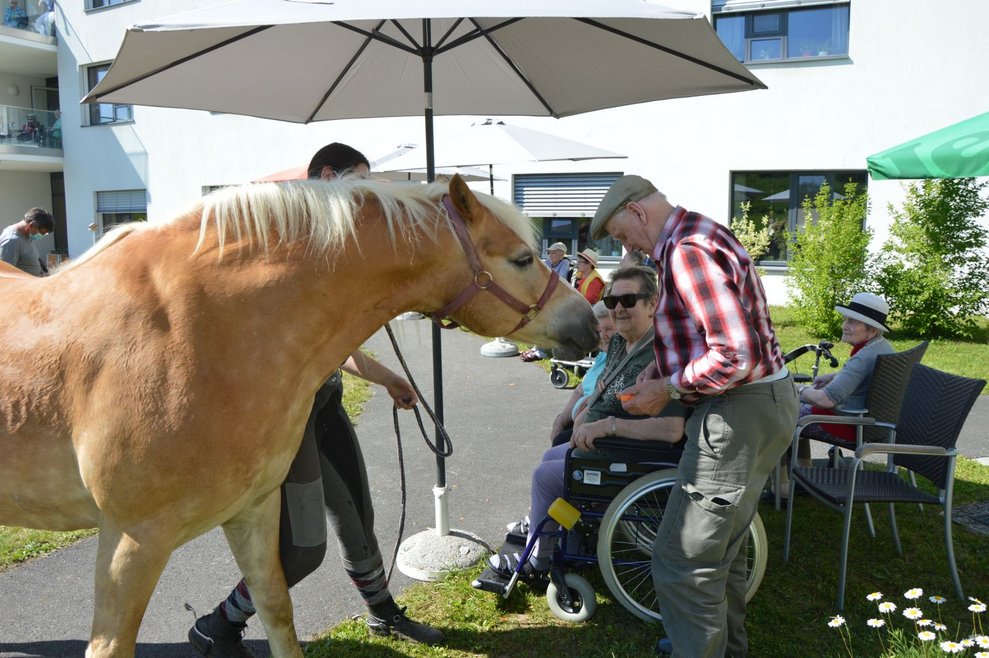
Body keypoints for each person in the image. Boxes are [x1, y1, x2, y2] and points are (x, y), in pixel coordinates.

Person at [189, 143, 443, 657]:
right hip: (287, 419)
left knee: (358, 520)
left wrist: (388, 376)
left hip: (326, 405)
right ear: (328, 176)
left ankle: (382, 614)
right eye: (359, 184)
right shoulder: (279, 246)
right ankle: (218, 625)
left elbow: (332, 342)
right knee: (303, 551)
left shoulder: (328, 249)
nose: (364, 201)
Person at [592, 175, 797, 658]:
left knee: (683, 560)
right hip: (762, 404)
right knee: (721, 553)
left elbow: (734, 354)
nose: (629, 249)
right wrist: (660, 375)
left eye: (623, 235)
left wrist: (666, 388)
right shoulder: (698, 233)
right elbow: (699, 334)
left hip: (738, 410)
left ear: (638, 213)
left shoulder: (686, 251)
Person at [490, 266, 687, 577]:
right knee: (551, 457)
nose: (619, 308)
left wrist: (608, 426)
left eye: (629, 300)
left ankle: (536, 561)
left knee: (546, 475)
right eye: (612, 302)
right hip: (601, 442)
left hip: (628, 453)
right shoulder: (623, 341)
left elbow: (672, 429)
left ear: (652, 303)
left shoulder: (660, 354)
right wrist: (580, 413)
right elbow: (598, 386)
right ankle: (554, 531)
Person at [773, 292, 895, 495]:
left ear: (872, 330)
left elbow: (826, 400)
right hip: (874, 424)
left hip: (850, 425)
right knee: (797, 411)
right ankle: (805, 472)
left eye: (853, 322)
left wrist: (796, 389)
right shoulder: (881, 347)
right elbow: (864, 374)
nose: (845, 325)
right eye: (846, 319)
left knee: (783, 414)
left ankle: (783, 486)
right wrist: (835, 376)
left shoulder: (862, 358)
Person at [549, 299, 615, 446]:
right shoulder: (602, 357)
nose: (603, 335)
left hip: (594, 427)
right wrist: (562, 419)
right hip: (577, 421)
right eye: (599, 331)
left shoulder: (618, 360)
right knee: (557, 436)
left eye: (609, 329)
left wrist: (579, 419)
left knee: (559, 443)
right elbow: (580, 390)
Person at [521, 242, 574, 361]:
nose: (550, 254)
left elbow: (560, 281)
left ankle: (541, 351)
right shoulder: (549, 262)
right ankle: (536, 347)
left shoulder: (565, 263)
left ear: (561, 254)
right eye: (549, 252)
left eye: (553, 252)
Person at [0, 207, 53, 276]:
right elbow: (5, 275)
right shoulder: (12, 241)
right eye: (41, 233)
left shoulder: (26, 235)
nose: (41, 236)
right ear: (31, 225)